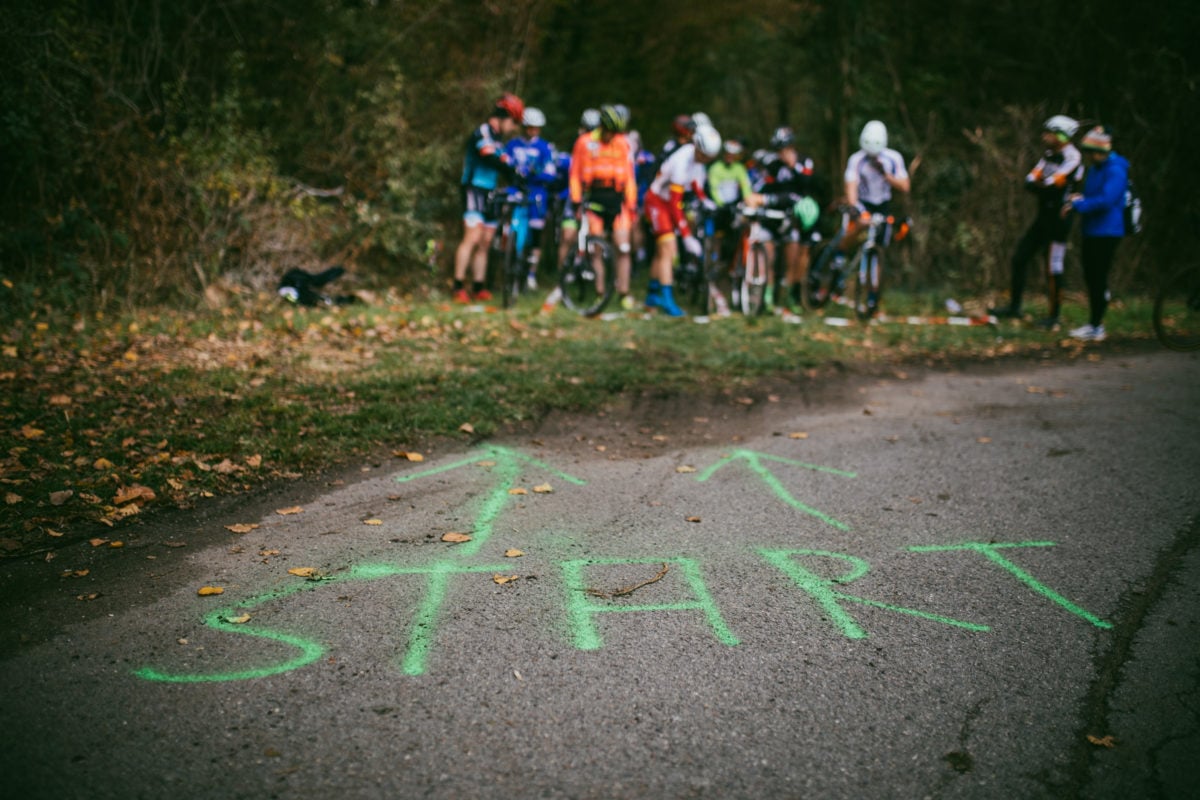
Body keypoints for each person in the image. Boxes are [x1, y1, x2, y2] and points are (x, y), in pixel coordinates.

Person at [989, 115, 1084, 326]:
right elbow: (1030, 181)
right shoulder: (1050, 154)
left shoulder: (1072, 158)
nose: (1044, 136)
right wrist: (1042, 184)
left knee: (1053, 266)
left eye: (1049, 132)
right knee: (1020, 257)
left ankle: (1054, 316)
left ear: (1061, 135)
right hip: (1043, 215)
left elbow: (1053, 184)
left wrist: (1042, 184)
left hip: (1060, 219)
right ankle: (1014, 307)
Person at [643, 123, 723, 316]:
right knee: (669, 249)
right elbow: (674, 203)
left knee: (661, 252)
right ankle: (666, 298)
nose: (707, 160)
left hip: (668, 201)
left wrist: (704, 199)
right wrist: (686, 236)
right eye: (706, 157)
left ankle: (652, 295)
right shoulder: (682, 161)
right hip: (658, 202)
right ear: (698, 149)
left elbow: (694, 182)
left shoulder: (696, 158)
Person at [453, 93, 524, 304]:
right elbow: (491, 157)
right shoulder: (482, 132)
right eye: (513, 122)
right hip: (474, 189)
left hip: (491, 192)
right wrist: (510, 167)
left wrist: (517, 176)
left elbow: (505, 164)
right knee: (472, 238)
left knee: (485, 241)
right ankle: (458, 286)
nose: (513, 128)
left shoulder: (499, 139)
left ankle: (478, 285)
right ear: (503, 117)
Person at [569, 103, 638, 310]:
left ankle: (624, 293)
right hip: (594, 199)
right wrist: (576, 200)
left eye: (614, 132)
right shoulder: (584, 142)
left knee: (623, 248)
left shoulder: (622, 144)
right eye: (608, 131)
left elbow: (629, 175)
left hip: (618, 201)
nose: (611, 136)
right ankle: (600, 293)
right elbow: (575, 175)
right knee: (597, 249)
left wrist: (631, 204)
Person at [1062, 125, 1128, 342]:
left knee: (1097, 276)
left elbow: (1106, 200)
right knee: (1091, 276)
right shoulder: (1097, 168)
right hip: (1092, 229)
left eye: (1089, 152)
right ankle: (1096, 316)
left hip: (1107, 231)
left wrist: (1079, 205)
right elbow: (1094, 196)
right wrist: (1079, 199)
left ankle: (1096, 325)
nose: (1087, 157)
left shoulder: (1115, 169)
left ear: (1098, 151)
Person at [755, 126, 822, 314]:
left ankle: (790, 296)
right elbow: (762, 188)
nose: (781, 154)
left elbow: (809, 185)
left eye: (784, 149)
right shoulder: (772, 165)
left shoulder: (804, 162)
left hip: (792, 219)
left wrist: (794, 166)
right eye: (778, 150)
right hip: (771, 216)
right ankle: (767, 298)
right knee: (768, 257)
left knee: (793, 258)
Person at [504, 107, 557, 289]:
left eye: (535, 128)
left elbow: (551, 173)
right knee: (507, 215)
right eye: (529, 127)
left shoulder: (544, 147)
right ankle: (505, 256)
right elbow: (505, 166)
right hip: (516, 188)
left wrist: (535, 172)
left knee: (536, 232)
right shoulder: (512, 145)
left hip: (536, 192)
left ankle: (531, 273)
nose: (532, 131)